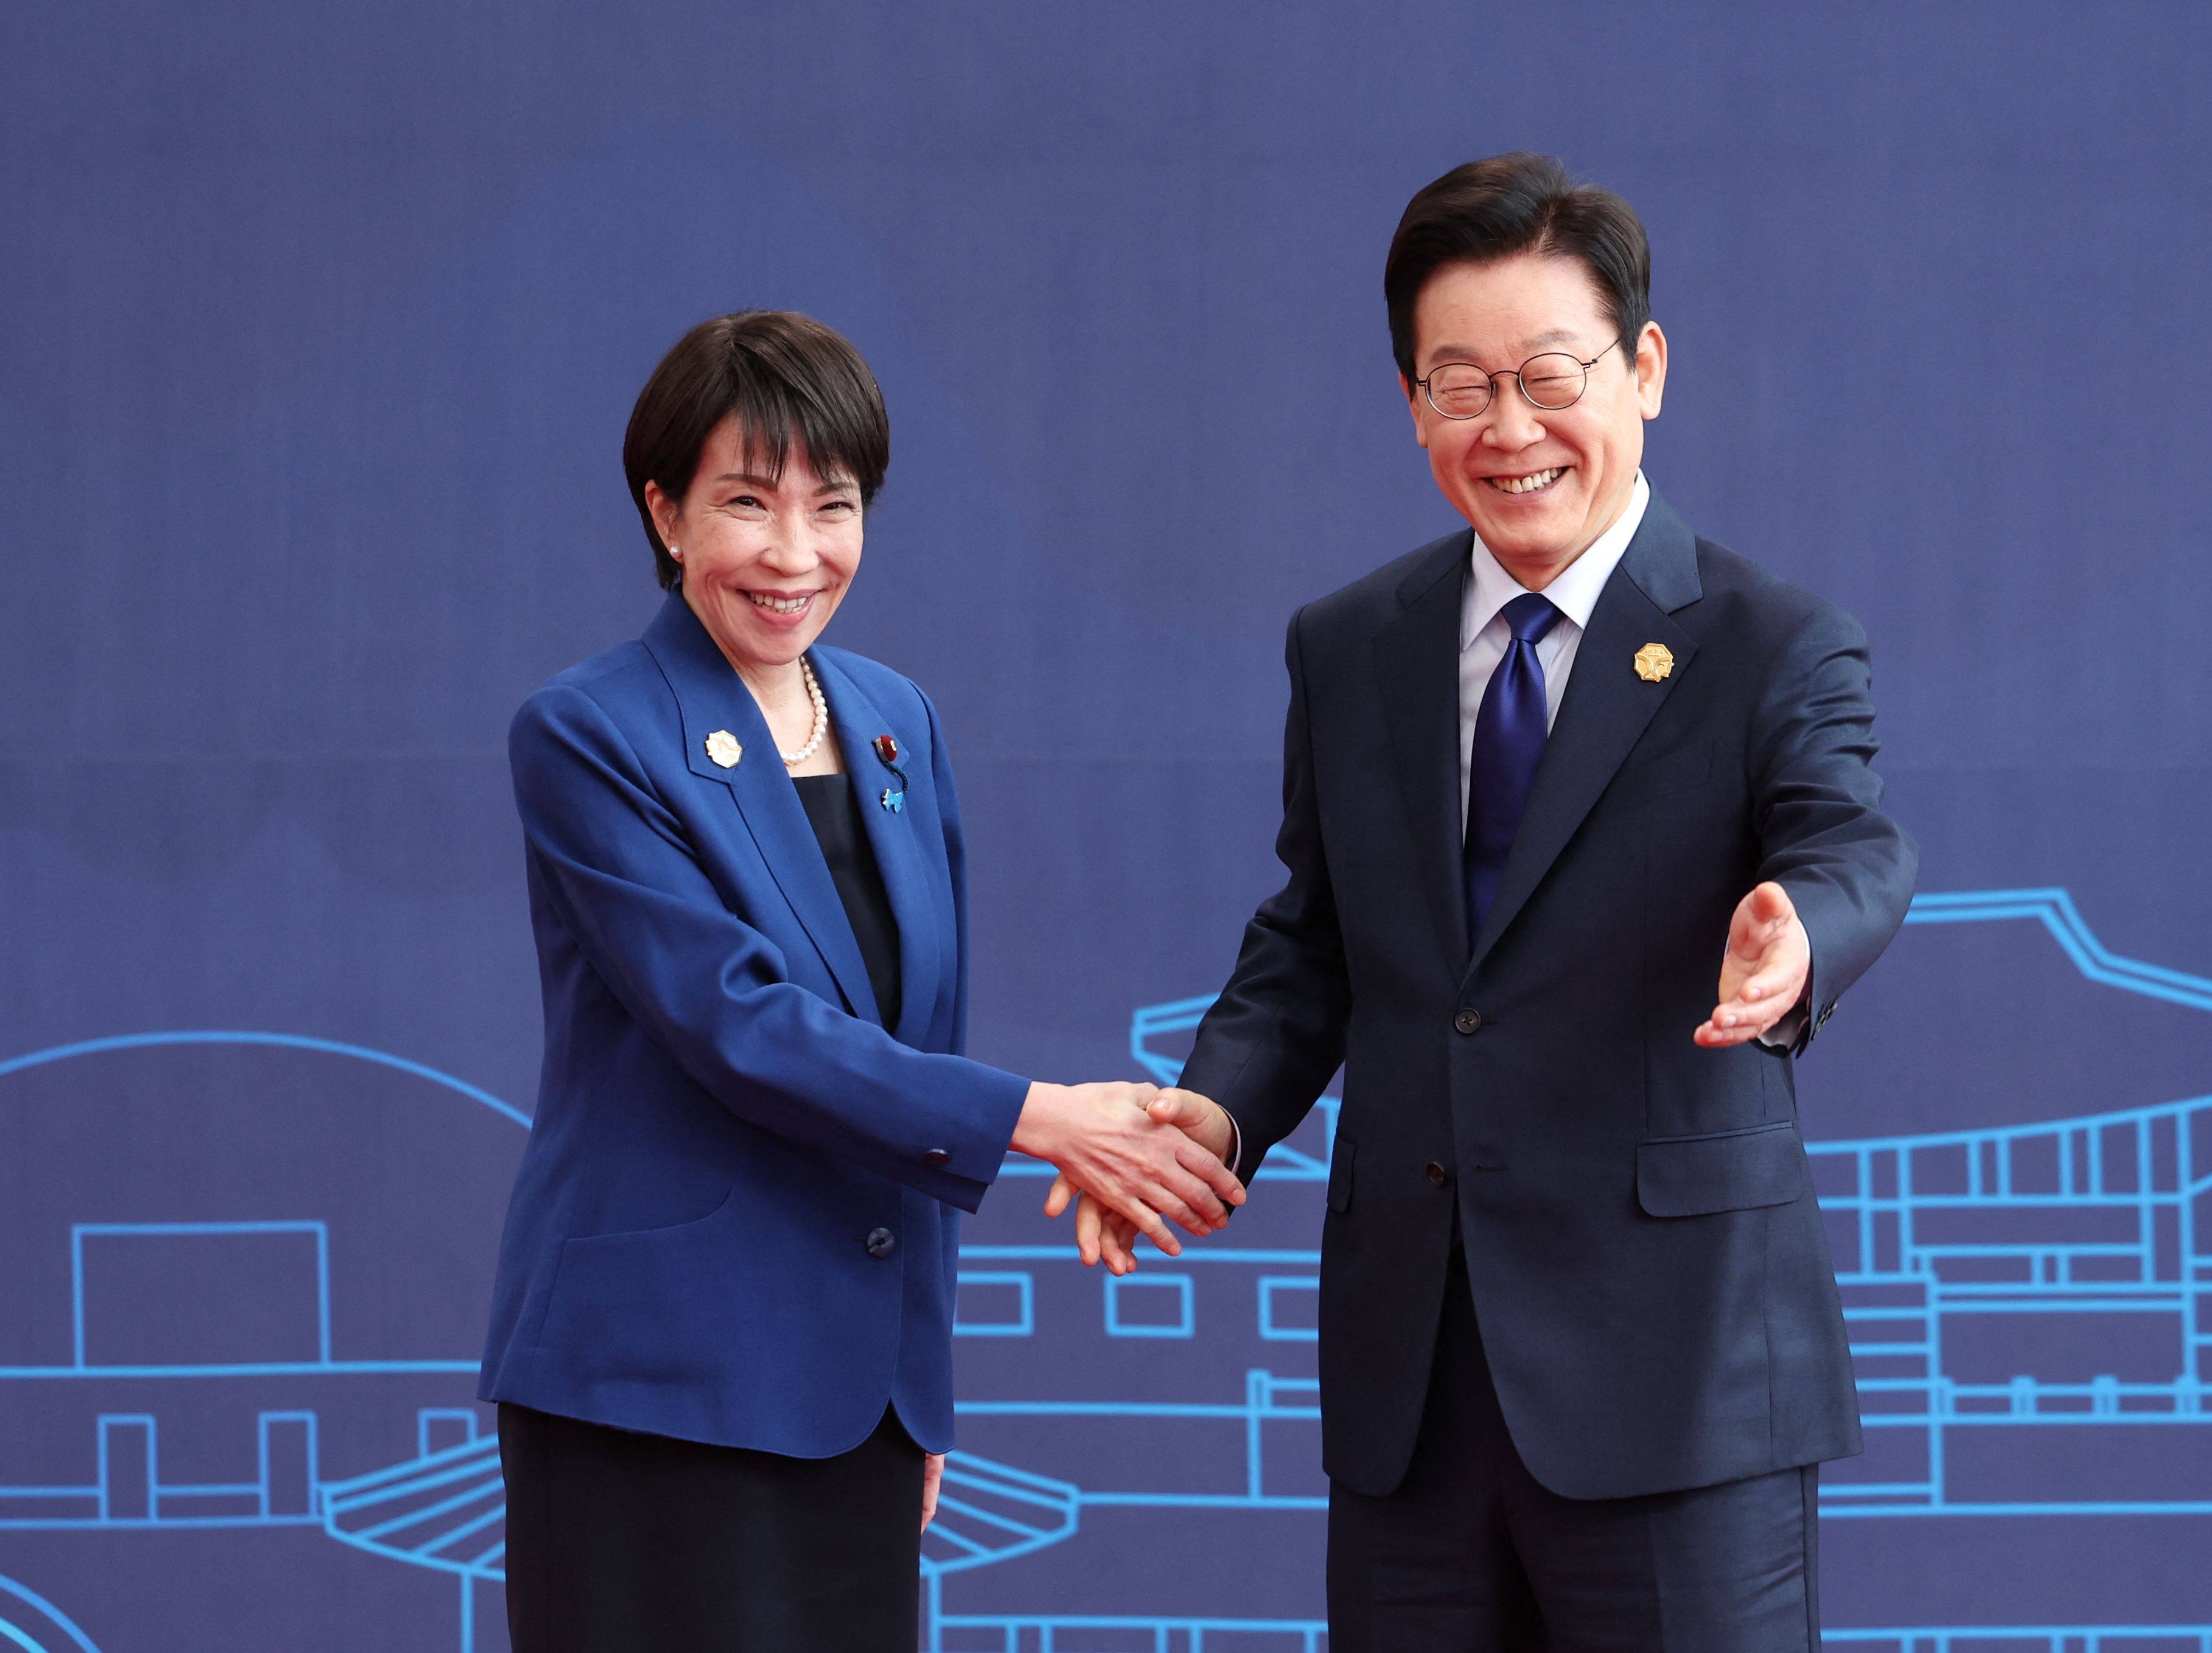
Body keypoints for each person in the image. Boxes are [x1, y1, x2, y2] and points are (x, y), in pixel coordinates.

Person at [1055, 156, 1917, 1649]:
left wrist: (1798, 933)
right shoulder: (1352, 644)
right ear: (1411, 402)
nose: (1509, 429)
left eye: (1548, 374)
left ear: (1644, 370)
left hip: (1677, 1383)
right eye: (1461, 385)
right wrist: (1216, 1111)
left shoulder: (1769, 640)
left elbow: (1850, 846)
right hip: (1417, 1387)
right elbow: (1315, 943)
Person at [479, 310, 1245, 1653]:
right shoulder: (589, 732)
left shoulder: (897, 718)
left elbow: (918, 1032)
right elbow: (742, 1025)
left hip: (856, 1401)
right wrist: (1045, 1118)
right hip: (655, 1390)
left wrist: (919, 1391)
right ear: (664, 514)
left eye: (832, 505)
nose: (794, 553)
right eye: (745, 503)